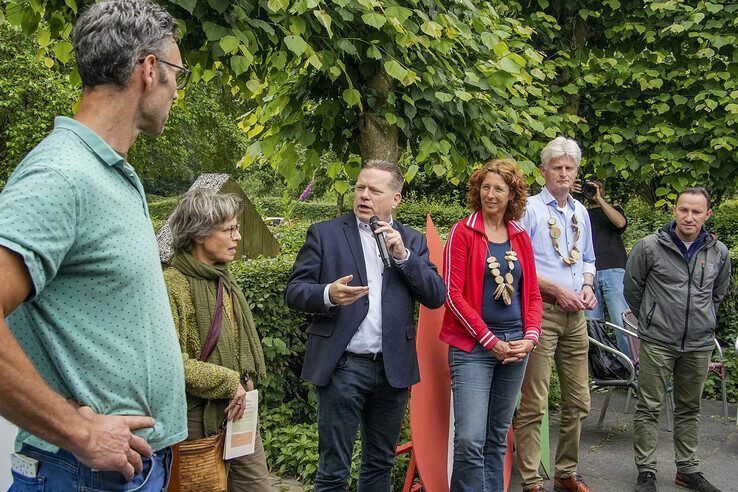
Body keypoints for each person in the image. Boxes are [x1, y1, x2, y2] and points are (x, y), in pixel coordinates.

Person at [0, 0, 188, 489]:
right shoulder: (60, 175)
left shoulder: (107, 171)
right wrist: (77, 430)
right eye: (177, 75)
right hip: (80, 472)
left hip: (126, 470)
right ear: (150, 70)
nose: (175, 92)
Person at [285, 159, 446, 491]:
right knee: (333, 468)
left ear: (396, 198)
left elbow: (435, 296)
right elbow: (295, 291)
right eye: (360, 187)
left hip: (392, 368)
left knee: (380, 463)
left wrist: (403, 257)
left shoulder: (411, 241)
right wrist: (328, 293)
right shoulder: (325, 234)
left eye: (375, 189)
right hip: (344, 365)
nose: (364, 195)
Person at [440, 159, 542, 492]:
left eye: (499, 188)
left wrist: (530, 338)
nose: (490, 194)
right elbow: (452, 296)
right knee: (470, 439)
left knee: (497, 438)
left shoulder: (521, 237)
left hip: (516, 345)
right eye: (485, 187)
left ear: (512, 194)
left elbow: (533, 296)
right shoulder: (463, 231)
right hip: (473, 348)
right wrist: (488, 340)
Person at [624, 187, 730, 492]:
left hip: (698, 343)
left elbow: (718, 293)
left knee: (690, 407)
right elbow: (632, 289)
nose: (689, 217)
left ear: (707, 215)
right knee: (649, 407)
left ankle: (688, 470)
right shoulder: (648, 248)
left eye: (697, 212)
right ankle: (646, 472)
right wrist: (651, 318)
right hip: (658, 340)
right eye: (684, 210)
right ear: (675, 210)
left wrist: (703, 318)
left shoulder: (718, 252)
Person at [164, 189, 270, 491]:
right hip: (197, 415)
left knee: (255, 486)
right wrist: (228, 382)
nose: (237, 236)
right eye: (229, 229)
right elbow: (171, 363)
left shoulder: (223, 277)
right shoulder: (172, 284)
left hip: (240, 407)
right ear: (199, 234)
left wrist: (244, 381)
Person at [513, 136, 597, 492]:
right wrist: (557, 290)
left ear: (576, 171)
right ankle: (531, 480)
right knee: (535, 401)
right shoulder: (529, 209)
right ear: (543, 170)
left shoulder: (579, 212)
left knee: (579, 400)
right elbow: (517, 266)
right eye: (557, 167)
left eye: (569, 167)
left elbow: (589, 259)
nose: (563, 173)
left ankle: (566, 472)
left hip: (575, 316)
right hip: (541, 313)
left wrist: (588, 286)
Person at [574, 179, 632, 358]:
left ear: (603, 191)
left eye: (597, 188)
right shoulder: (577, 211)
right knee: (592, 325)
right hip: (586, 273)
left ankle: (634, 367)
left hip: (614, 269)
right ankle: (606, 369)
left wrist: (599, 200)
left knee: (622, 321)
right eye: (589, 188)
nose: (592, 191)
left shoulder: (612, 209)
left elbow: (620, 223)